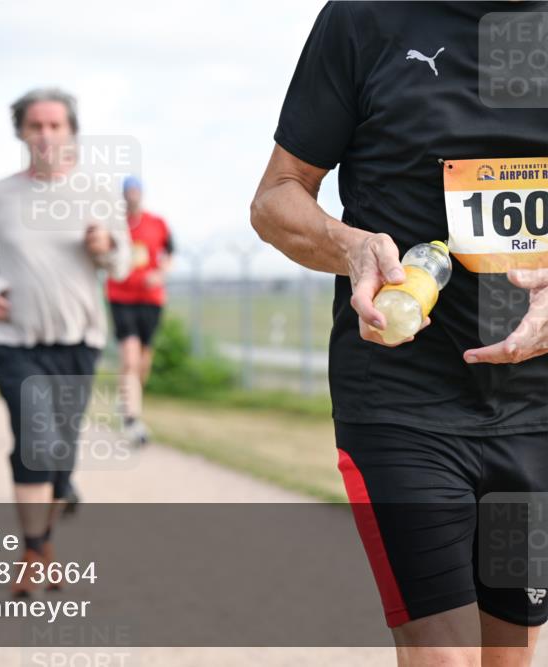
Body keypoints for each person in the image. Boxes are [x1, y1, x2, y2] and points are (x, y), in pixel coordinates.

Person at [251, 3, 547, 664]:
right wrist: (349, 246)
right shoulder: (367, 17)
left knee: (511, 655)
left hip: (535, 409)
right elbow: (276, 197)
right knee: (443, 655)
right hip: (401, 394)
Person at [0, 87, 130, 597]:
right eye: (36, 126)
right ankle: (34, 552)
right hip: (14, 339)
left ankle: (44, 540)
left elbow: (122, 262)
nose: (46, 135)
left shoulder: (98, 194)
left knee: (61, 451)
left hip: (78, 339)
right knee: (35, 437)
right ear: (21, 132)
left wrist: (106, 247)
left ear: (71, 130)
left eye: (56, 125)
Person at [105, 175, 173, 445]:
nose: (132, 195)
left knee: (143, 360)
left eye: (136, 191)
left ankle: (128, 401)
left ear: (141, 194)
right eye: (128, 191)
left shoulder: (157, 224)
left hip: (150, 299)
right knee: (130, 358)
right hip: (120, 296)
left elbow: (169, 255)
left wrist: (160, 274)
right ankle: (132, 418)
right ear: (123, 195)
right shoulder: (114, 224)